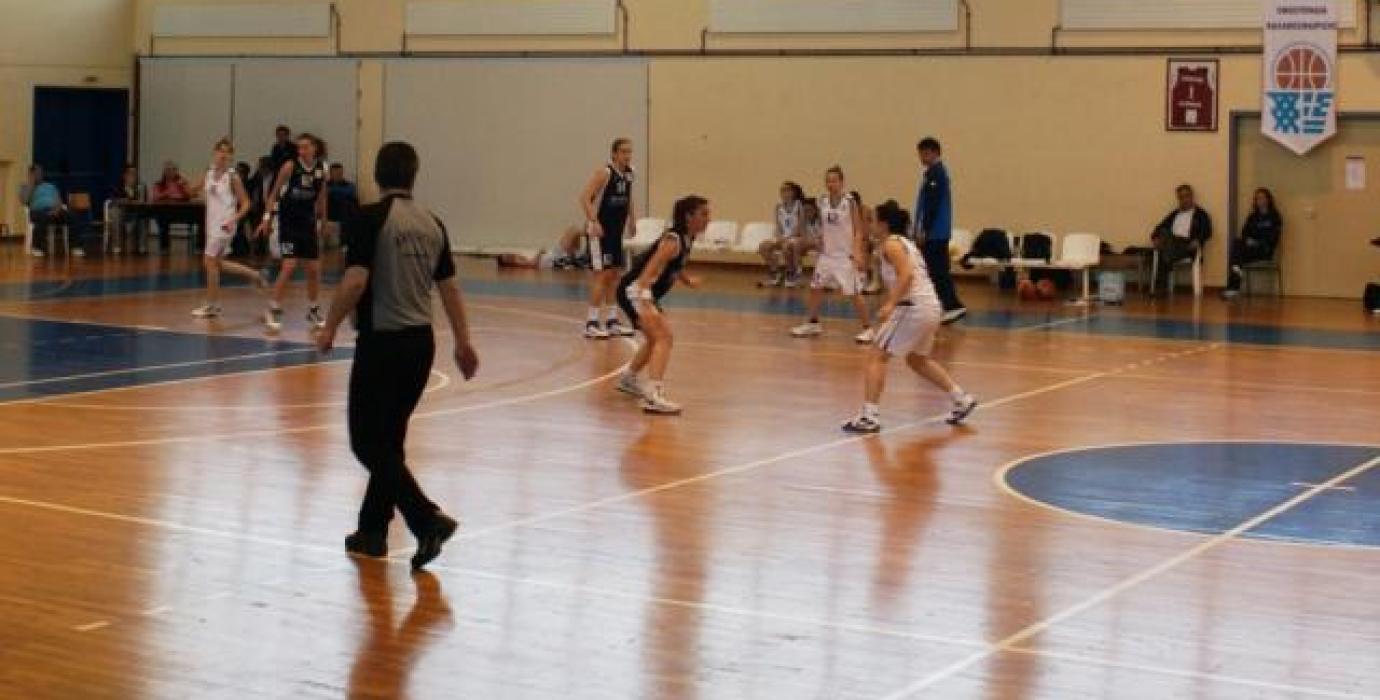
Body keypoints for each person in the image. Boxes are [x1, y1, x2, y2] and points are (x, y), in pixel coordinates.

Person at [316, 140, 478, 571]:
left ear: (377, 175)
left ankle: (426, 519)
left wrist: (329, 326)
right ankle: (372, 532)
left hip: (383, 344)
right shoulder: (433, 223)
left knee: (366, 442)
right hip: (421, 345)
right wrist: (463, 342)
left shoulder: (369, 219)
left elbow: (355, 281)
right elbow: (450, 289)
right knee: (389, 442)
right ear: (414, 175)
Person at [842, 201, 977, 434]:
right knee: (917, 360)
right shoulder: (900, 243)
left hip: (912, 307)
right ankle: (961, 398)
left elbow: (906, 276)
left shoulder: (892, 245)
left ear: (884, 224)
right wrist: (857, 241)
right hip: (929, 307)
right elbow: (862, 267)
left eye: (873, 220)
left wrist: (890, 304)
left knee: (877, 356)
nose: (870, 224)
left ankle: (869, 416)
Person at [614, 195, 710, 415]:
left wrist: (686, 280)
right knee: (664, 337)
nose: (708, 219)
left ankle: (628, 378)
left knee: (654, 338)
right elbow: (651, 266)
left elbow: (674, 264)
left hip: (641, 291)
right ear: (688, 216)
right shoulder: (673, 240)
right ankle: (653, 395)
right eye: (703, 214)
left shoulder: (687, 238)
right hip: (636, 290)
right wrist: (644, 296)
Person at [790, 166, 873, 343]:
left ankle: (868, 328)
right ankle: (812, 323)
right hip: (827, 255)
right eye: (827, 181)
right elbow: (823, 225)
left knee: (854, 293)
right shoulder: (822, 201)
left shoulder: (849, 202)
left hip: (845, 256)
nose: (830, 184)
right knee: (815, 288)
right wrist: (819, 239)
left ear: (842, 182)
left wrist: (857, 252)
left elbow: (858, 230)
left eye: (834, 180)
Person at [256, 133, 329, 332]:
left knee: (314, 269)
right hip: (288, 223)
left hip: (308, 224)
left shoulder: (322, 169)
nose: (301, 150)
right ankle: (273, 308)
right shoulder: (290, 166)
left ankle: (313, 309)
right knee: (289, 266)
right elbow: (273, 194)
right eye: (299, 147)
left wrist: (323, 221)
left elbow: (322, 197)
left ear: (314, 148)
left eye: (305, 147)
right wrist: (266, 219)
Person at [188, 139, 267, 318]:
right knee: (217, 264)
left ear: (231, 156)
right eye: (220, 151)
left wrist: (234, 219)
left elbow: (246, 203)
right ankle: (255, 275)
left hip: (225, 225)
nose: (223, 155)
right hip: (211, 224)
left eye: (227, 152)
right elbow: (192, 190)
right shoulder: (208, 173)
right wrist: (189, 187)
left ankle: (212, 305)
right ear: (214, 152)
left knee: (209, 261)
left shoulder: (233, 177)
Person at [578, 138, 637, 339]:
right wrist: (594, 221)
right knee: (602, 276)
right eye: (623, 152)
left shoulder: (629, 173)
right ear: (614, 154)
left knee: (615, 275)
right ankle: (591, 323)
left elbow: (628, 198)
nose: (627, 155)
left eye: (630, 151)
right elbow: (584, 198)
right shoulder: (605, 173)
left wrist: (632, 220)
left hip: (616, 232)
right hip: (600, 232)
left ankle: (612, 321)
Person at [915, 138, 966, 323]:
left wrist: (925, 229)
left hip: (935, 233)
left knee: (938, 270)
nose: (921, 157)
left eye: (925, 153)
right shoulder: (932, 173)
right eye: (920, 154)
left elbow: (932, 205)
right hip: (935, 232)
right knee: (936, 269)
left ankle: (953, 305)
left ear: (935, 153)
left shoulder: (936, 174)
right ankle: (944, 304)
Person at [1150, 184, 1213, 295]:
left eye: (1186, 196)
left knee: (1163, 248)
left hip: (1188, 245)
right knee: (1164, 234)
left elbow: (1207, 231)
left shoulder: (1201, 214)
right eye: (1181, 197)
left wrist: (1198, 240)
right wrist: (1155, 238)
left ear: (1192, 196)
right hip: (1171, 243)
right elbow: (1159, 227)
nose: (1184, 200)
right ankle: (1167, 255)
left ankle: (1160, 287)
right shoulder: (1174, 214)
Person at [1222, 188, 1282, 299]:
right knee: (1237, 244)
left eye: (1262, 198)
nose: (1260, 200)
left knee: (1237, 255)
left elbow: (1273, 238)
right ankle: (1234, 285)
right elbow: (1244, 233)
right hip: (1250, 250)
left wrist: (1257, 242)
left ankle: (1233, 287)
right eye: (1257, 198)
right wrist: (1248, 240)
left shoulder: (1275, 217)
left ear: (1268, 199)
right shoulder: (1252, 217)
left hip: (1264, 250)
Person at [757, 181, 805, 287]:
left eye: (787, 190)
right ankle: (775, 272)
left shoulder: (799, 205)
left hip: (795, 237)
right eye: (782, 190)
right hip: (783, 237)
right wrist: (779, 236)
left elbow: (800, 227)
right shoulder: (778, 206)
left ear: (793, 192)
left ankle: (791, 272)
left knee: (786, 246)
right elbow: (778, 225)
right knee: (764, 246)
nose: (784, 193)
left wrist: (788, 237)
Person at [19, 165, 69, 258]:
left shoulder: (50, 186)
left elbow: (59, 201)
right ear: (30, 174)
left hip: (54, 210)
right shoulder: (25, 187)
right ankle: (36, 247)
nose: (39, 175)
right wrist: (32, 185)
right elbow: (25, 201)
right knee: (43, 218)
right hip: (37, 211)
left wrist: (56, 209)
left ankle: (76, 247)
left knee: (71, 216)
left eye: (40, 173)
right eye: (36, 173)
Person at [150, 161, 192, 255]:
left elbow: (189, 195)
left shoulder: (182, 182)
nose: (170, 172)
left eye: (173, 169)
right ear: (164, 171)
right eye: (168, 170)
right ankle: (164, 248)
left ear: (176, 171)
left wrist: (184, 186)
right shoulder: (159, 184)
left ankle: (199, 248)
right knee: (162, 218)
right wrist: (168, 192)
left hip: (182, 212)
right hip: (166, 211)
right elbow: (155, 196)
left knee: (200, 215)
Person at [109, 164, 146, 254]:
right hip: (121, 211)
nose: (133, 176)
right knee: (115, 214)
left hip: (135, 212)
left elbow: (144, 201)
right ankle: (116, 245)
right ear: (125, 175)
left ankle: (141, 246)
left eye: (135, 174)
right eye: (130, 173)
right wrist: (122, 200)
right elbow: (113, 200)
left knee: (143, 217)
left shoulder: (140, 187)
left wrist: (138, 200)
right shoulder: (117, 186)